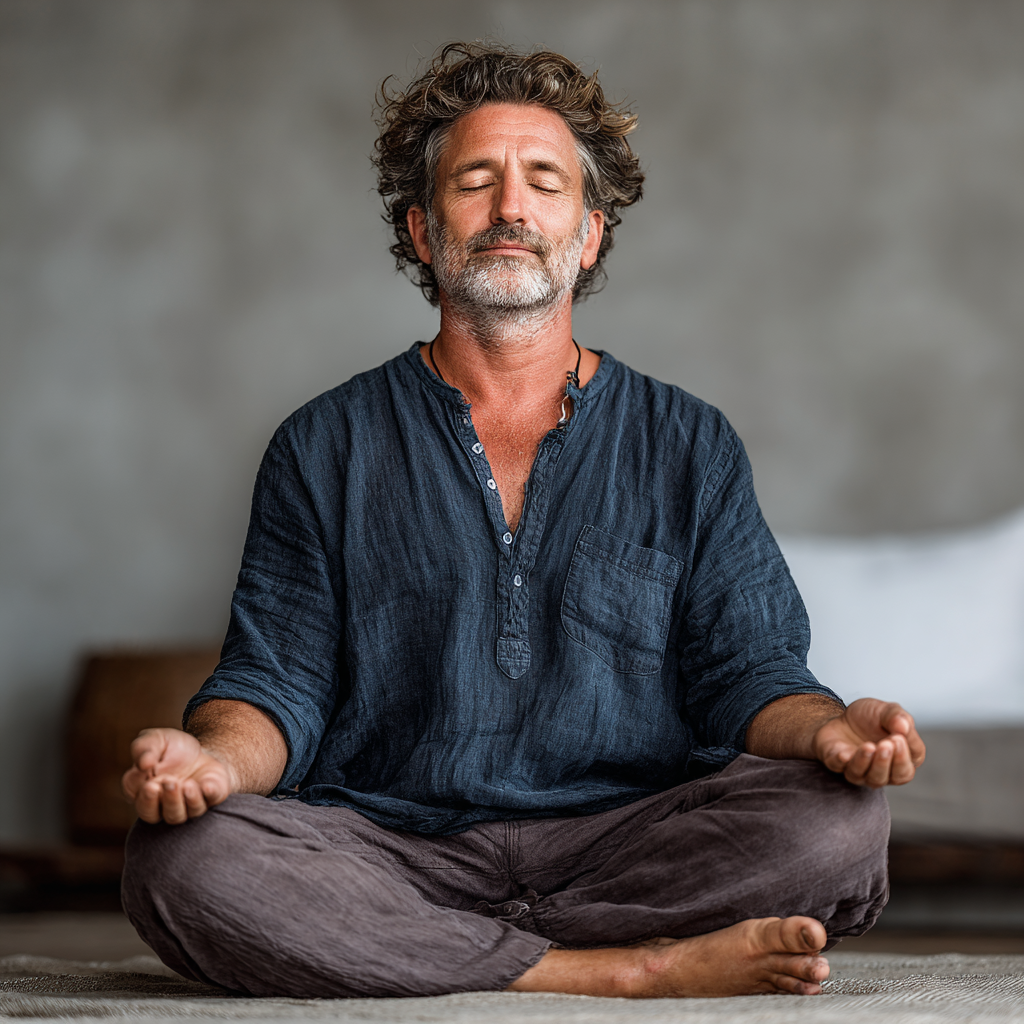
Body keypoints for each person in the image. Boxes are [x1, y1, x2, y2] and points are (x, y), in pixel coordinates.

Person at [121, 43, 925, 1000]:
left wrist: (834, 732)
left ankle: (427, 957)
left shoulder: (689, 442)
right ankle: (616, 972)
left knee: (840, 820)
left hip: (628, 848)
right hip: (394, 851)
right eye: (476, 181)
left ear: (586, 234)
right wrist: (208, 763)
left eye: (543, 182)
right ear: (423, 231)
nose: (510, 208)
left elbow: (748, 675)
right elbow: (275, 682)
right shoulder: (322, 444)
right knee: (182, 859)